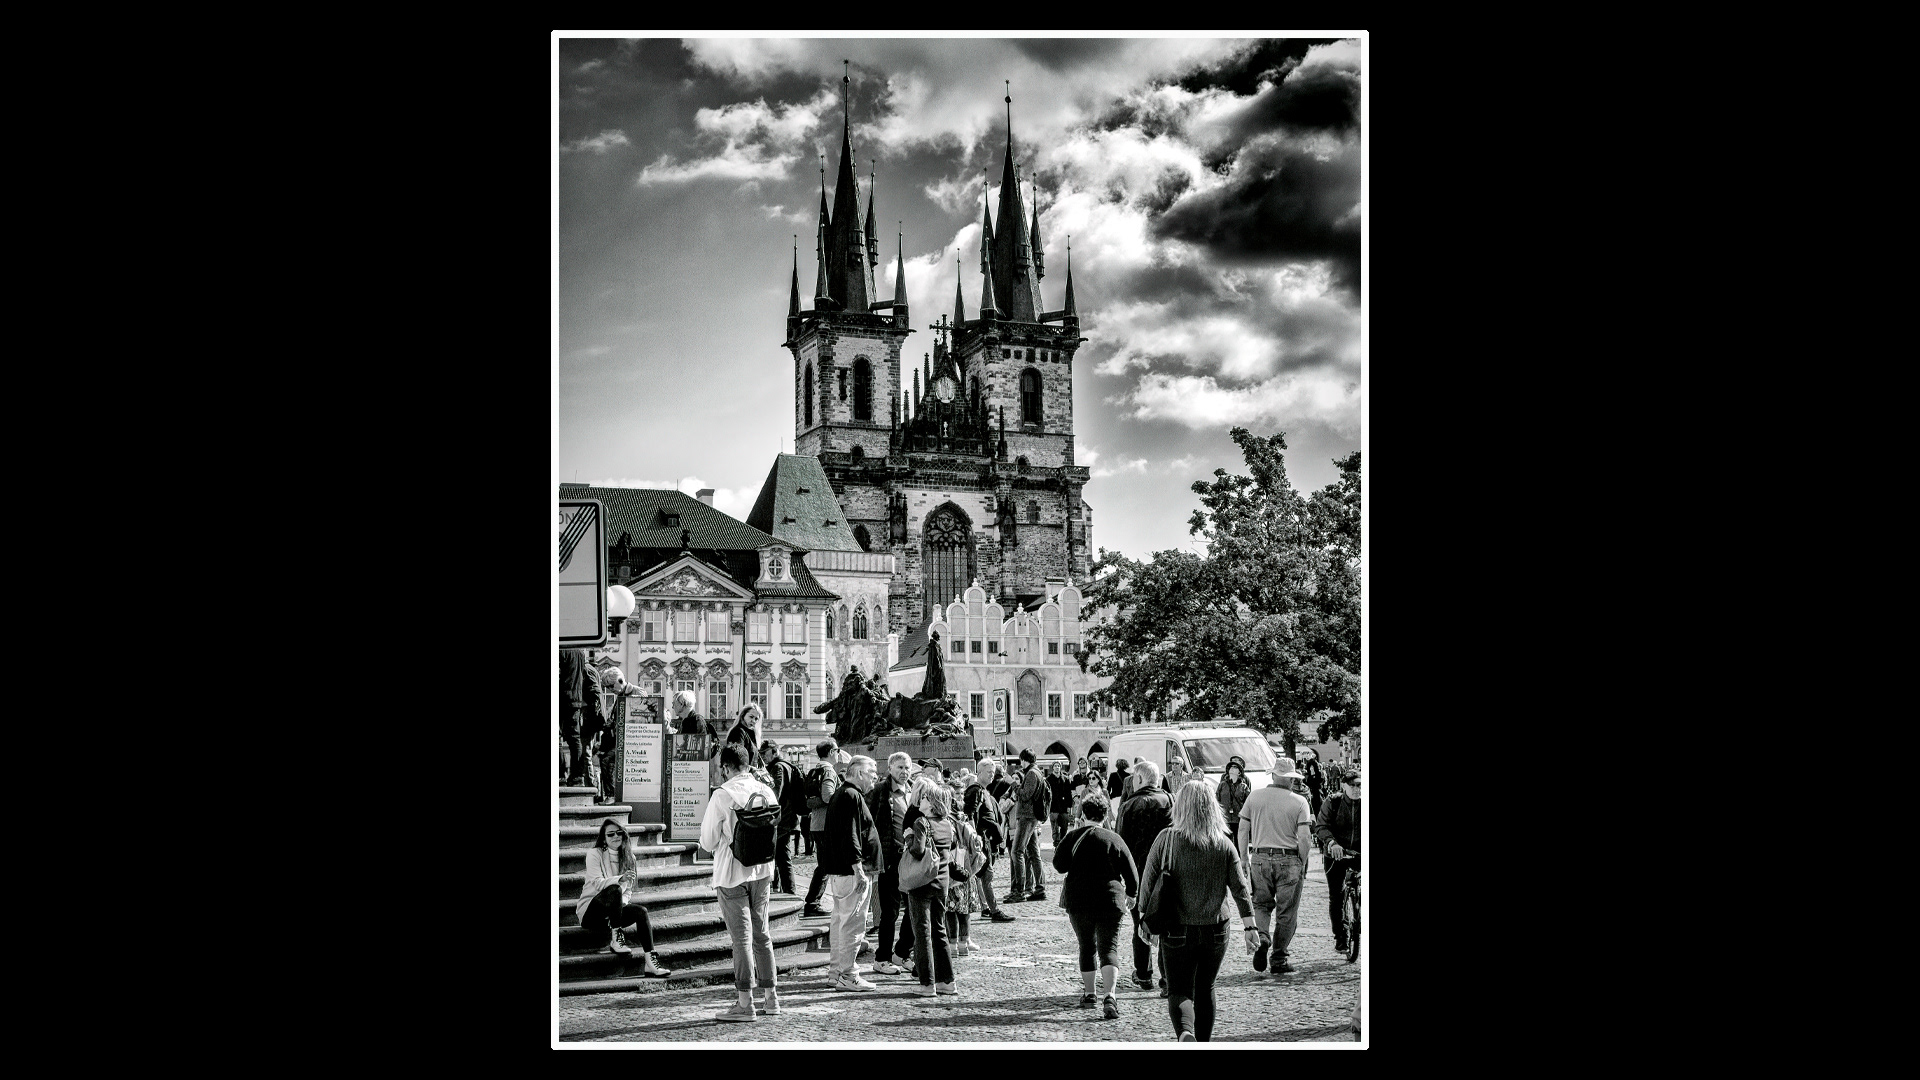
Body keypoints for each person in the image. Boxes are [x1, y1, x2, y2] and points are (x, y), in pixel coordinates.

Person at [1137, 782, 1260, 1043]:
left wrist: (1143, 920)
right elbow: (1240, 889)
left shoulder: (1166, 839)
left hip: (1176, 928)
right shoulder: (1223, 843)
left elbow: (1147, 884)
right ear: (1212, 807)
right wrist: (1250, 927)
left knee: (1179, 988)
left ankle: (1184, 1032)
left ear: (1180, 807)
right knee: (1206, 988)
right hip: (1216, 929)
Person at [698, 745, 781, 1022]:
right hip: (763, 871)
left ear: (725, 767)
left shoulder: (723, 795)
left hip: (732, 873)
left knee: (741, 940)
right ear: (748, 764)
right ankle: (771, 998)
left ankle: (745, 1003)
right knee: (762, 934)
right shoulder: (765, 790)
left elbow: (708, 841)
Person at [1055, 794, 1139, 1021]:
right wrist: (1131, 895)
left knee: (1086, 946)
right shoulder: (1114, 839)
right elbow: (1132, 875)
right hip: (1110, 900)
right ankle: (1110, 995)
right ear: (1104, 815)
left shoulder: (1072, 837)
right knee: (1109, 947)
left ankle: (1090, 993)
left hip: (1079, 900)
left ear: (1083, 814)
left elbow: (1059, 866)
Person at [1234, 756, 1313, 976]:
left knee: (1261, 904)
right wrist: (1303, 862)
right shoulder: (1299, 801)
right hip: (1289, 859)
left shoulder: (1254, 797)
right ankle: (1279, 958)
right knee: (1287, 912)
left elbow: (1242, 830)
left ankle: (1263, 937)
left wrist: (1243, 858)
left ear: (1273, 775)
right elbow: (1305, 837)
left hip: (1259, 857)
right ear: (1289, 779)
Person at [575, 819, 672, 977]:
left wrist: (618, 908)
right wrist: (620, 879)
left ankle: (650, 962)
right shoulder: (595, 854)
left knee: (641, 911)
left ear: (624, 835)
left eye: (619, 833)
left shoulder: (629, 858)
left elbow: (628, 892)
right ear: (604, 837)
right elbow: (597, 883)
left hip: (613, 915)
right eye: (610, 834)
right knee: (614, 889)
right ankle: (616, 940)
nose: (615, 836)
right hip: (591, 913)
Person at [1114, 759, 1173, 993]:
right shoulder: (1170, 800)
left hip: (1138, 873)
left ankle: (1143, 974)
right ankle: (1167, 979)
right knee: (1168, 925)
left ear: (1138, 779)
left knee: (1141, 923)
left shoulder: (1129, 805)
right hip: (1167, 872)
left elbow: (1121, 844)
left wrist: (1123, 878)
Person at [824, 754, 880, 991]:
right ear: (858, 773)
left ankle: (836, 972)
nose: (874, 779)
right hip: (851, 871)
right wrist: (858, 868)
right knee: (853, 923)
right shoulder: (851, 795)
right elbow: (851, 834)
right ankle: (848, 974)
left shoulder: (843, 793)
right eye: (871, 774)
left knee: (840, 921)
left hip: (842, 870)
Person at [900, 778, 960, 996]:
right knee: (940, 931)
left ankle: (927, 984)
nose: (921, 799)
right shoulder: (947, 824)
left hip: (922, 881)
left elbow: (917, 851)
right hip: (941, 882)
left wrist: (908, 837)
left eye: (925, 797)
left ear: (932, 802)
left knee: (922, 933)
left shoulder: (921, 822)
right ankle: (948, 981)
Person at [862, 752, 919, 977]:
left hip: (909, 859)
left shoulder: (913, 791)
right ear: (890, 768)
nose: (904, 772)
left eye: (907, 768)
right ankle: (882, 958)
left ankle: (901, 951)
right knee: (890, 912)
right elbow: (868, 822)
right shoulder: (879, 791)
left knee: (913, 908)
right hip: (889, 859)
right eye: (900, 768)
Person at [1314, 767, 1361, 954]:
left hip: (1358, 853)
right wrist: (1331, 843)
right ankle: (1340, 937)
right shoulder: (1333, 802)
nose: (1358, 789)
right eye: (1353, 785)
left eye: (1361, 785)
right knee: (1337, 895)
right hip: (1336, 854)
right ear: (1344, 786)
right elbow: (1321, 826)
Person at [960, 768, 1016, 923]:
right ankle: (991, 910)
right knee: (983, 875)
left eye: (993, 772)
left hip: (985, 840)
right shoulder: (976, 791)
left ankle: (989, 909)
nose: (991, 775)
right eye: (988, 772)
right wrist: (975, 838)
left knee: (984, 876)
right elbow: (970, 814)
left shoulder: (984, 791)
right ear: (979, 773)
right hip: (979, 840)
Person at [943, 778, 983, 956]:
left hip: (958, 865)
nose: (960, 797)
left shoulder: (954, 817)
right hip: (960, 865)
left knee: (956, 908)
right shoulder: (957, 817)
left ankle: (958, 942)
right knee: (958, 908)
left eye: (961, 793)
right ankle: (959, 943)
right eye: (957, 794)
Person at [801, 739, 840, 917]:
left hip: (816, 823)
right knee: (825, 866)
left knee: (824, 865)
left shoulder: (815, 768)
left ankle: (813, 902)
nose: (838, 754)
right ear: (831, 752)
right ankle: (812, 903)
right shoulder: (828, 771)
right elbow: (827, 796)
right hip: (827, 824)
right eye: (837, 750)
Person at [1005, 749, 1050, 903]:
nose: (1021, 763)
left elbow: (1025, 795)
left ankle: (1019, 890)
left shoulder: (1032, 773)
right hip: (1030, 817)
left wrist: (1013, 784)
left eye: (1021, 760)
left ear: (1025, 760)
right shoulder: (1037, 772)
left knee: (1016, 851)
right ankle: (1039, 888)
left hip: (1027, 816)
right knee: (1033, 853)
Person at [761, 741, 804, 895]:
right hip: (786, 818)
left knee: (783, 858)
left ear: (774, 752)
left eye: (765, 753)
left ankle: (790, 893)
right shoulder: (782, 766)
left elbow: (775, 795)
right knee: (780, 856)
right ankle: (781, 889)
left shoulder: (779, 767)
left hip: (783, 819)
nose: (763, 757)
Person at [558, 650, 594, 787]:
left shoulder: (561, 648)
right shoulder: (580, 651)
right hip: (576, 699)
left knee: (557, 738)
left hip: (562, 697)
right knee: (575, 738)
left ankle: (560, 774)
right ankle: (577, 776)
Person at [1215, 756, 1252, 841]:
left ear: (1239, 772)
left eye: (1235, 767)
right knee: (1225, 841)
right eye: (1231, 767)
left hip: (1238, 818)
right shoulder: (1222, 785)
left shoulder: (1243, 786)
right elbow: (1217, 800)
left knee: (1239, 841)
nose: (1232, 769)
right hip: (1225, 817)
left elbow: (1248, 802)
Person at [1047, 762, 1076, 846]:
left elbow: (1068, 793)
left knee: (1064, 825)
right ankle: (1056, 842)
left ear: (1060, 767)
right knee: (1055, 826)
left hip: (1063, 806)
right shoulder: (1049, 779)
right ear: (1053, 768)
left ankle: (1062, 841)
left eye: (1058, 766)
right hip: (1053, 807)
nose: (1057, 767)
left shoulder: (1065, 779)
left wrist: (1069, 806)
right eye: (1055, 766)